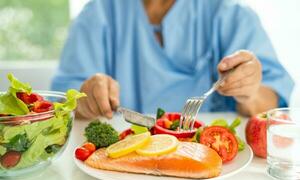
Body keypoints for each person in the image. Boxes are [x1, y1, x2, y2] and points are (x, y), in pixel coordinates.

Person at [51, 0, 294, 119]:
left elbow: (273, 103)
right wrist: (85, 98)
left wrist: (249, 92)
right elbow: (63, 102)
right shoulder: (99, 14)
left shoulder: (229, 12)